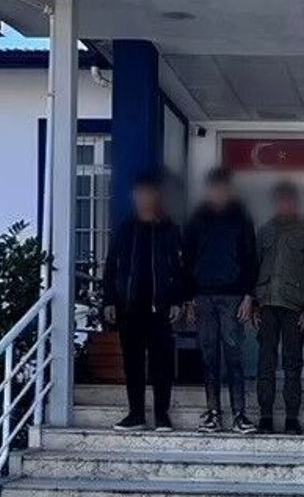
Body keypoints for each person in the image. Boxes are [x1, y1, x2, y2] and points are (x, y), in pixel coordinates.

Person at [102, 172, 185, 432]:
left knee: (162, 364)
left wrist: (177, 300)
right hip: (130, 307)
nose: (145, 198)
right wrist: (109, 300)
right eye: (141, 194)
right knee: (133, 363)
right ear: (134, 197)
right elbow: (111, 267)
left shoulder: (169, 230)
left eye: (150, 193)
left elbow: (180, 269)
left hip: (160, 308)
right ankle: (136, 414)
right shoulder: (125, 230)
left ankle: (162, 415)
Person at [183, 167, 258, 434]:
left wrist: (249, 296)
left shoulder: (241, 218)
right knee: (209, 356)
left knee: (234, 356)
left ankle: (240, 414)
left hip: (233, 296)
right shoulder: (197, 219)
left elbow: (251, 258)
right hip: (203, 297)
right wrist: (188, 299)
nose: (218, 192)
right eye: (214, 188)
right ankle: (213, 412)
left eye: (223, 188)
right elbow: (187, 260)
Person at [253, 180, 304, 435]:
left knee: (293, 363)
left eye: (289, 200)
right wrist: (254, 303)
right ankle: (265, 416)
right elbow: (256, 265)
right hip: (267, 305)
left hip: (294, 306)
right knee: (265, 363)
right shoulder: (265, 230)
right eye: (281, 200)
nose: (285, 204)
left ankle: (291, 417)